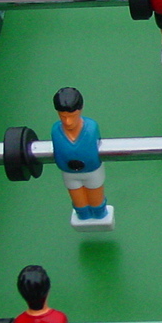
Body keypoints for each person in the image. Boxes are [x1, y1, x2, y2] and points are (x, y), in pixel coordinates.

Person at [51, 87, 111, 227]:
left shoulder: (91, 128)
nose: (68, 122)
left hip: (92, 171)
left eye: (72, 116)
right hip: (69, 173)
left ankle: (100, 215)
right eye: (63, 117)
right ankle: (83, 216)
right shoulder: (56, 131)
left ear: (80, 110)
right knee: (78, 200)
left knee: (95, 198)